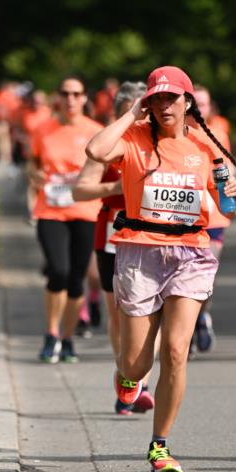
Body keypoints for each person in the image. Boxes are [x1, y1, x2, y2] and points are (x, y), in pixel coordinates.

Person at [85, 65, 236, 472]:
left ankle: (160, 445)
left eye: (172, 98)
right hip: (140, 252)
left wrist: (232, 193)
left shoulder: (207, 144)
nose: (164, 105)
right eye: (156, 98)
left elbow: (228, 207)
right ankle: (127, 376)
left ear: (188, 101)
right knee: (137, 364)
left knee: (175, 350)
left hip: (190, 252)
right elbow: (96, 151)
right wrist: (131, 113)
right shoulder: (134, 137)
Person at [73, 80, 155, 414]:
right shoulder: (109, 145)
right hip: (111, 231)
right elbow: (80, 190)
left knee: (150, 312)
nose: (138, 122)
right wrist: (117, 186)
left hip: (152, 235)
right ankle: (126, 374)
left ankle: (141, 383)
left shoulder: (162, 142)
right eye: (130, 115)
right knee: (119, 314)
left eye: (144, 115)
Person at [28, 75, 102, 363]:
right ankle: (51, 334)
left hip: (85, 211)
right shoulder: (42, 129)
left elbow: (105, 168)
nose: (70, 99)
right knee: (57, 271)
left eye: (76, 93)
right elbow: (33, 162)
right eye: (65, 93)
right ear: (57, 97)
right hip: (51, 210)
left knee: (75, 279)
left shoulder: (96, 131)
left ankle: (68, 338)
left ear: (84, 98)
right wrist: (34, 174)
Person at [189, 84, 235, 354]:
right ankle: (187, 326)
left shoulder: (218, 135)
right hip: (184, 218)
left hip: (214, 217)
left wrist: (232, 188)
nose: (199, 108)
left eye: (203, 104)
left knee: (206, 276)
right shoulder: (174, 135)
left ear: (210, 108)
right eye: (194, 103)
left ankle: (201, 316)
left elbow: (227, 171)